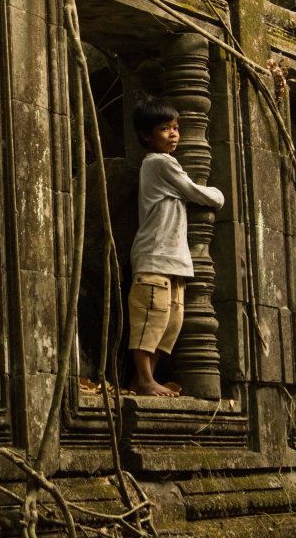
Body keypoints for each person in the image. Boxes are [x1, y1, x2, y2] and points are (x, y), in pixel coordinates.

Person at [128, 96, 224, 397]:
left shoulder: (163, 163)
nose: (174, 134)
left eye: (176, 128)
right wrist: (219, 195)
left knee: (170, 323)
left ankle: (144, 380)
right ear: (146, 135)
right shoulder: (159, 163)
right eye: (164, 129)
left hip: (173, 261)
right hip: (154, 258)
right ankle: (143, 379)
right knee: (149, 319)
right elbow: (195, 192)